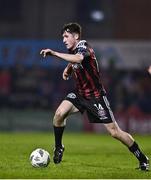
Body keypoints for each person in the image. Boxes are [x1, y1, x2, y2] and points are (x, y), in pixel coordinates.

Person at [40, 22, 149, 171]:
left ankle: (142, 158)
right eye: (62, 37)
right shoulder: (74, 50)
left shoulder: (84, 47)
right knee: (59, 114)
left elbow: (79, 58)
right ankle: (59, 147)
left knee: (115, 132)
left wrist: (54, 53)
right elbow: (75, 60)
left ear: (76, 36)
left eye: (66, 36)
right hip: (80, 94)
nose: (63, 40)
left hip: (96, 97)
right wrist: (68, 68)